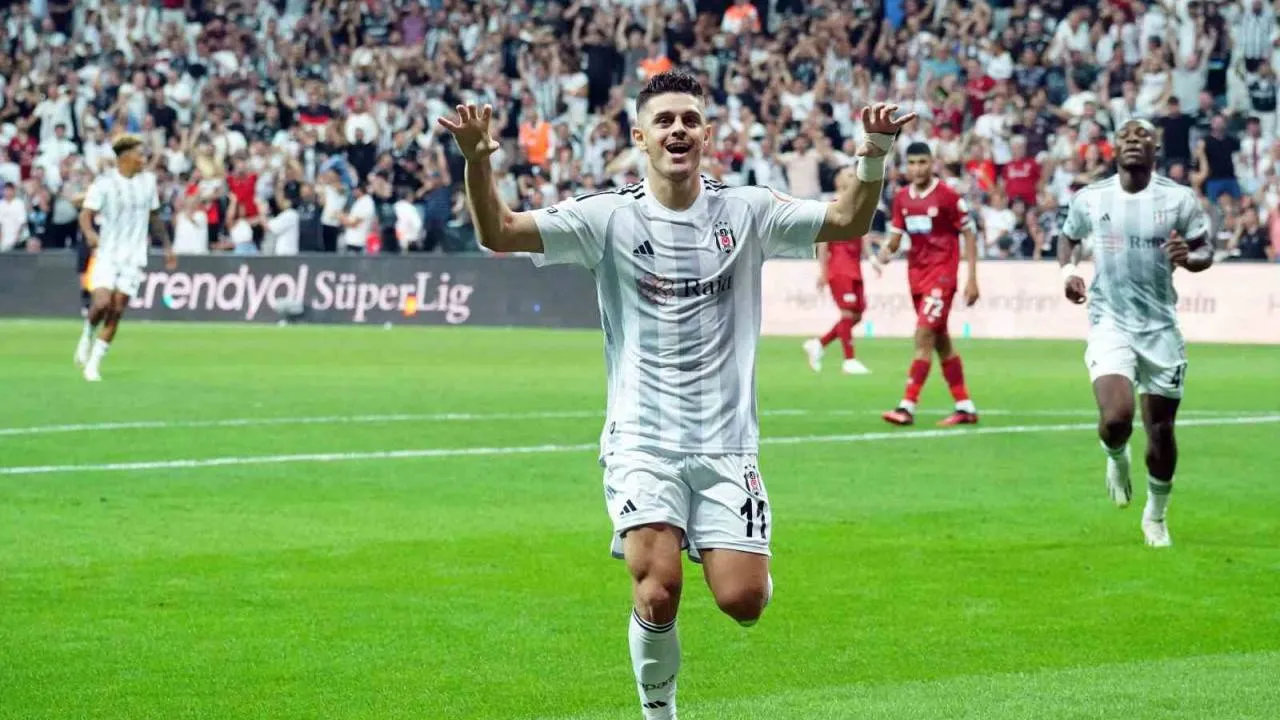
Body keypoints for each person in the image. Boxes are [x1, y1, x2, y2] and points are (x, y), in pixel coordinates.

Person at [437, 71, 914, 720]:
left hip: (726, 445)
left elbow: (847, 219)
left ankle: (739, 562)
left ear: (707, 135)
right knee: (658, 591)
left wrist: (875, 152)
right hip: (642, 442)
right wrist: (476, 161)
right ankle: (659, 710)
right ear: (640, 137)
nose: (678, 130)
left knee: (743, 602)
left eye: (689, 119)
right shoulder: (606, 217)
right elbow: (499, 231)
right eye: (663, 120)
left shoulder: (747, 211)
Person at [1058, 118, 1212, 548]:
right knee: (1115, 419)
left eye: (1141, 136)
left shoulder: (1178, 199)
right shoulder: (1092, 198)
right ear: (1113, 148)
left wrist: (1190, 259)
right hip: (1109, 321)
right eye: (1124, 135)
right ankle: (1116, 455)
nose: (1132, 141)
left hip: (1160, 328)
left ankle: (1155, 516)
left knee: (1160, 429)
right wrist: (1068, 272)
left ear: (1155, 149)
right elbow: (1068, 238)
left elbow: (1205, 248)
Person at [876, 142, 982, 426]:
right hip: (916, 277)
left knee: (923, 335)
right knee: (940, 341)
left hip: (942, 275)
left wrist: (972, 277)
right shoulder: (902, 198)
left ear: (933, 164)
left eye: (923, 162)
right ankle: (965, 406)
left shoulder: (947, 196)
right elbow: (896, 238)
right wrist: (884, 253)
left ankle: (907, 406)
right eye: (912, 163)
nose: (917, 168)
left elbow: (969, 233)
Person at [75, 136, 177, 382]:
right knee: (102, 303)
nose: (143, 159)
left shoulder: (148, 182)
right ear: (125, 158)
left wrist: (167, 246)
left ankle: (94, 364)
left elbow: (154, 217)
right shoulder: (104, 183)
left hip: (134, 257)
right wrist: (89, 233)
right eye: (139, 154)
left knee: (118, 309)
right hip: (107, 253)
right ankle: (87, 332)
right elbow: (86, 215)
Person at [804, 166, 879, 375]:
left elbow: (863, 235)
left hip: (855, 268)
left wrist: (872, 258)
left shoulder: (859, 206)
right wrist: (823, 271)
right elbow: (823, 241)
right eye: (849, 175)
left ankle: (818, 344)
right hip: (839, 267)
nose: (855, 178)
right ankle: (849, 360)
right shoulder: (833, 207)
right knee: (847, 312)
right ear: (839, 181)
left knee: (857, 315)